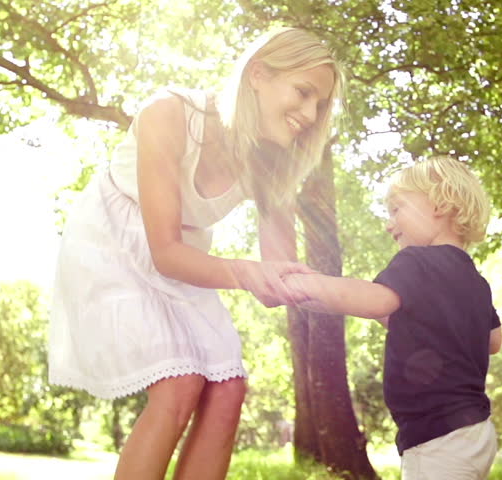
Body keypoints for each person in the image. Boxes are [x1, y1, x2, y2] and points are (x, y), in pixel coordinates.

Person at [48, 27, 345, 480]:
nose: (309, 114)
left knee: (228, 387)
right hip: (114, 241)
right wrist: (249, 273)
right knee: (179, 384)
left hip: (187, 256)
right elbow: (165, 252)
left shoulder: (273, 165)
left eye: (319, 105)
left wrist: (378, 300)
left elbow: (276, 281)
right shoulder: (169, 113)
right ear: (258, 75)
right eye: (303, 93)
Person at [282, 156, 502, 480]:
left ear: (440, 204)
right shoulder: (475, 280)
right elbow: (493, 341)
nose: (388, 224)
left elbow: (373, 302)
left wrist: (301, 284)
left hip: (436, 438)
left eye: (396, 209)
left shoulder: (415, 262)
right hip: (476, 433)